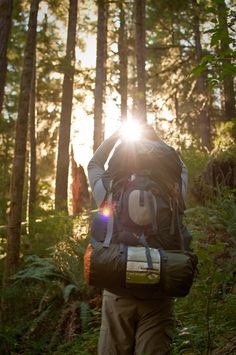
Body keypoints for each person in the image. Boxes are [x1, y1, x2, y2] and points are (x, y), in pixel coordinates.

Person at [87, 123, 189, 355]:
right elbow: (180, 166)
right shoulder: (174, 192)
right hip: (159, 291)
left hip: (117, 289)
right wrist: (156, 139)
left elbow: (94, 163)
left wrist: (117, 134)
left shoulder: (109, 189)